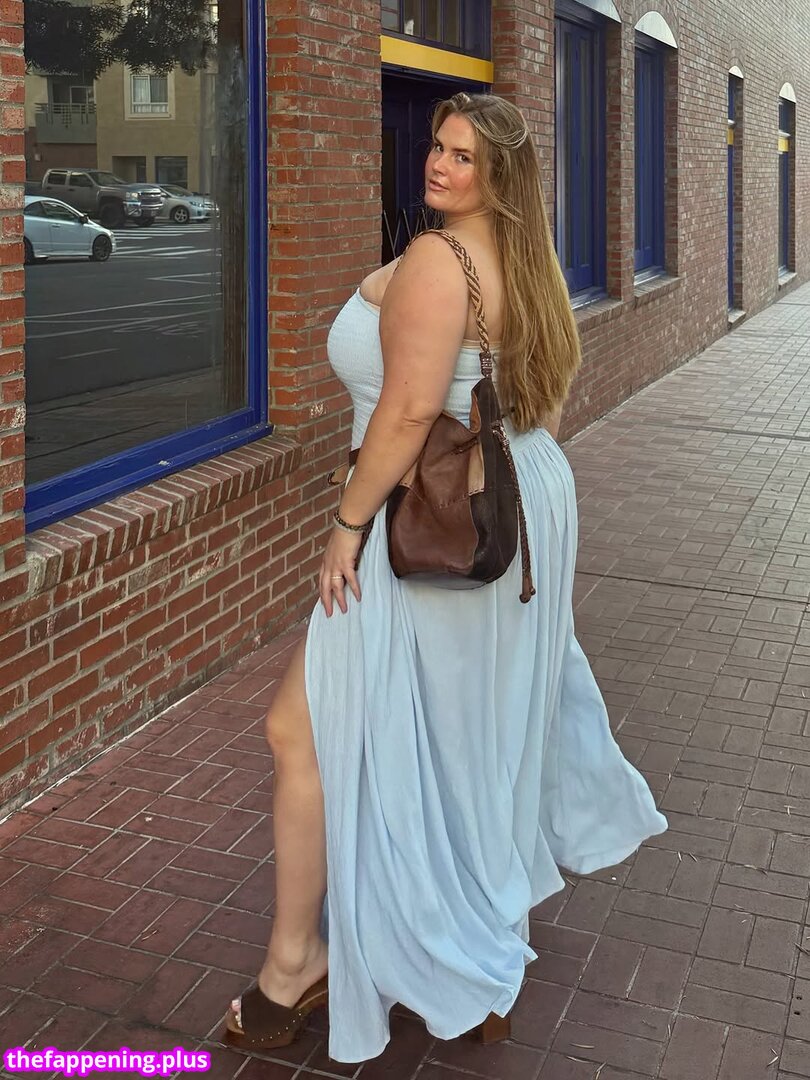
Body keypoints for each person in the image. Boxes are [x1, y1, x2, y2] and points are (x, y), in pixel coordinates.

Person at [223, 92, 667, 1062]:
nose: (439, 163)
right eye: (438, 145)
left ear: (498, 177)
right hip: (516, 507)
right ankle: (475, 944)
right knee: (474, 732)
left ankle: (297, 964)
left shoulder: (438, 260)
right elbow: (527, 398)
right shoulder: (528, 257)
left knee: (299, 727)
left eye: (464, 156)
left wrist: (346, 526)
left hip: (427, 520)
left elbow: (409, 412)